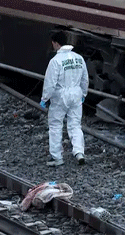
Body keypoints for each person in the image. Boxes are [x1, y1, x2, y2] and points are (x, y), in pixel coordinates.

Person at [40, 31, 89, 167]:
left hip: (60, 96)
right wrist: (83, 94)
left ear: (56, 43)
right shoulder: (79, 58)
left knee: (55, 125)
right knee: (75, 125)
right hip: (76, 94)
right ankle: (79, 152)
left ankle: (57, 157)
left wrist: (45, 98)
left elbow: (50, 83)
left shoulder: (55, 61)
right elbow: (85, 79)